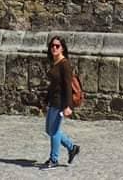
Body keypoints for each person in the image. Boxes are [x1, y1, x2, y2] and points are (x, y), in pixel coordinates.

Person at [40, 35, 81, 170]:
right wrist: (46, 99)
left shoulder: (65, 64)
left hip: (61, 102)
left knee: (54, 131)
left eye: (57, 46)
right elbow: (54, 85)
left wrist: (68, 106)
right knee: (49, 130)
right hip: (53, 101)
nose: (54, 48)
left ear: (62, 48)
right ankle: (72, 147)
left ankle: (54, 159)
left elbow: (68, 86)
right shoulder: (55, 62)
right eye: (52, 46)